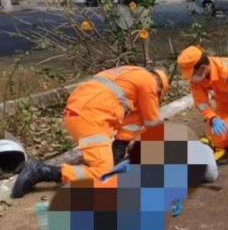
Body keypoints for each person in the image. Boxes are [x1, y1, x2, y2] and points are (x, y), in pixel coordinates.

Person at [12, 66, 170, 198]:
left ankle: (107, 160)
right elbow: (153, 122)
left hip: (78, 113)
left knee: (106, 163)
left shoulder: (131, 75)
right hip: (92, 118)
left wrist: (120, 145)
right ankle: (42, 171)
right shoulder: (149, 83)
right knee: (103, 173)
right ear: (159, 89)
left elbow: (135, 121)